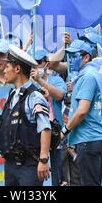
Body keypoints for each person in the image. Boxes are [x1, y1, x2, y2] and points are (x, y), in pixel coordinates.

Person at [0, 45, 52, 186]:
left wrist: (43, 160)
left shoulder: (34, 97)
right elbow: (5, 128)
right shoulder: (13, 95)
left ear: (17, 69)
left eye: (7, 66)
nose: (4, 70)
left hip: (29, 165)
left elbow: (45, 128)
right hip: (11, 165)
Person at [60, 40, 102, 186]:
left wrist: (65, 131)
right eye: (68, 56)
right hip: (95, 139)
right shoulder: (91, 74)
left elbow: (82, 111)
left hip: (89, 140)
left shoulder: (87, 76)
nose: (70, 60)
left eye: (75, 56)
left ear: (86, 57)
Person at [29, 48, 67, 186]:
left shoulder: (56, 80)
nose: (35, 67)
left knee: (54, 177)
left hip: (54, 137)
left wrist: (40, 80)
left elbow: (60, 95)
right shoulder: (26, 82)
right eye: (31, 63)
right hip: (33, 138)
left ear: (47, 64)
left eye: (38, 63)